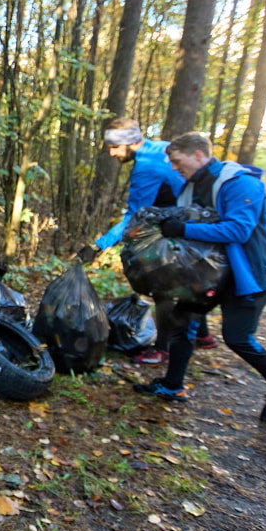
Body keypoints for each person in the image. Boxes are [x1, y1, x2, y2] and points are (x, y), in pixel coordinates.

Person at [133, 131, 266, 423]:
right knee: (180, 323)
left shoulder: (241, 183)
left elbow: (238, 230)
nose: (173, 167)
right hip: (209, 274)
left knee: (238, 338)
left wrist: (182, 230)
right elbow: (186, 215)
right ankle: (173, 386)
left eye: (176, 160)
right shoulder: (191, 186)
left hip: (248, 275)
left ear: (198, 154)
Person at [79, 118, 216, 363]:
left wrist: (98, 245)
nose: (111, 153)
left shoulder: (146, 166)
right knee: (191, 278)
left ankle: (162, 348)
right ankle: (203, 336)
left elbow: (134, 216)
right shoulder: (161, 147)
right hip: (200, 218)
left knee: (163, 283)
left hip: (189, 224)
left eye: (114, 147)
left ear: (130, 142)